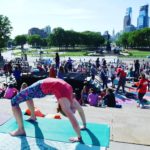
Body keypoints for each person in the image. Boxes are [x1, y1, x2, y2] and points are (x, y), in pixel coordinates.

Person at [10, 78, 86, 142]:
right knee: (14, 101)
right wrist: (79, 137)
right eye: (72, 112)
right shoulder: (66, 103)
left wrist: (84, 125)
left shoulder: (70, 94)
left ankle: (24, 125)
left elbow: (80, 110)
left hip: (43, 84)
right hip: (40, 86)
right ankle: (22, 128)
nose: (73, 112)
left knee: (21, 97)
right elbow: (73, 119)